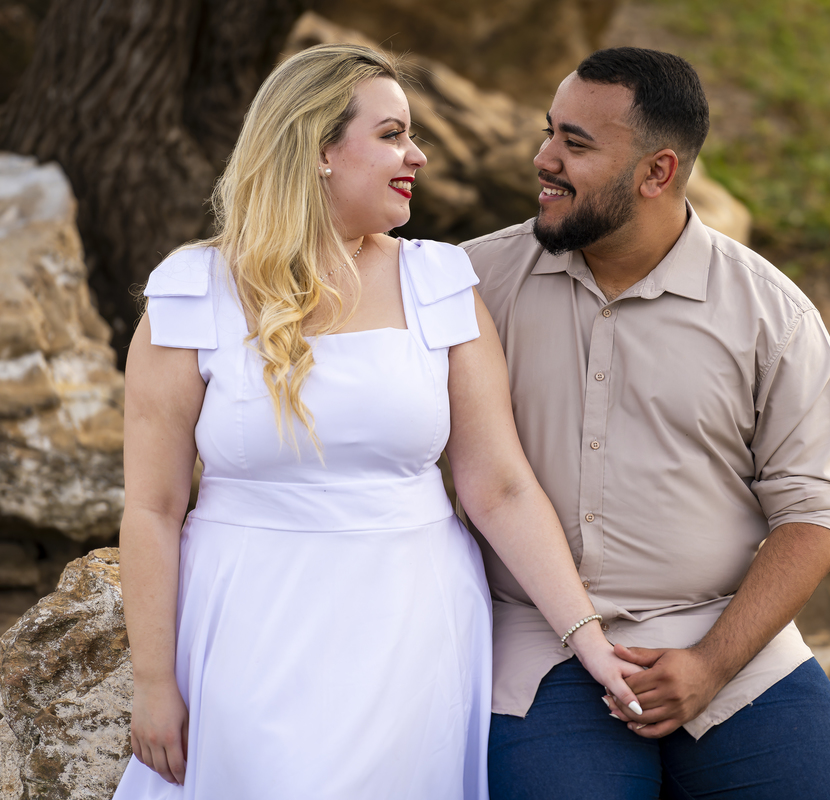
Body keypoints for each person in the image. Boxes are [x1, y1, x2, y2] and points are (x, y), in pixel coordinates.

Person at [113, 43, 641, 800]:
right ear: (319, 148)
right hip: (244, 624)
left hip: (412, 625)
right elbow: (153, 507)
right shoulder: (193, 294)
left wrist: (589, 640)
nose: (418, 155)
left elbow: (498, 487)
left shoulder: (438, 282)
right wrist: (155, 681)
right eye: (393, 134)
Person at [461, 47, 830, 799]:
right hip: (538, 649)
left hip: (730, 648)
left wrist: (713, 663)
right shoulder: (472, 288)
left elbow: (813, 516)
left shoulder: (771, 316)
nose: (542, 159)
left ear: (657, 173)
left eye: (575, 145)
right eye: (550, 131)